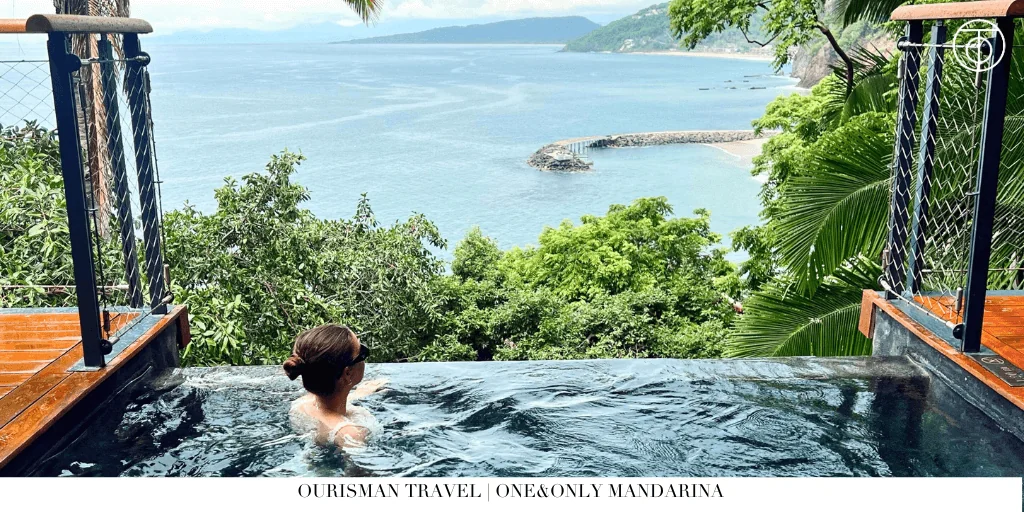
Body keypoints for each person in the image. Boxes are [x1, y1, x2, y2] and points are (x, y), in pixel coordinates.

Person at [283, 325, 386, 448]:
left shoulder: (303, 404)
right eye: (362, 353)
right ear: (347, 373)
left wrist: (359, 393)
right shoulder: (350, 434)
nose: (364, 356)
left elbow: (330, 403)